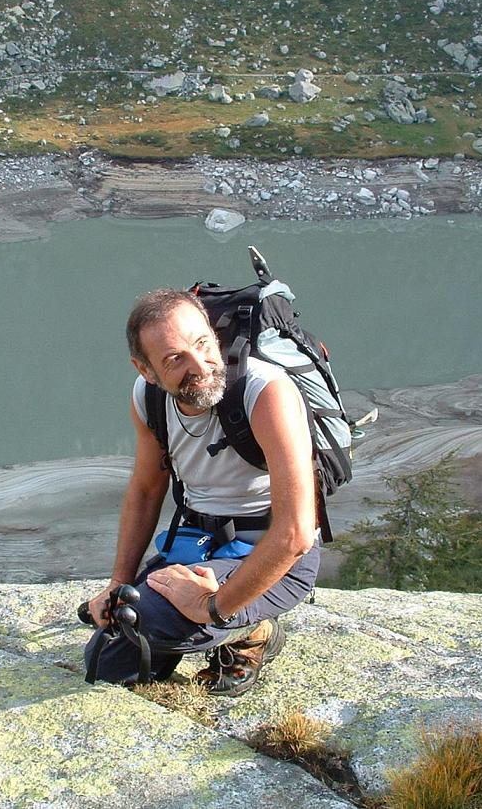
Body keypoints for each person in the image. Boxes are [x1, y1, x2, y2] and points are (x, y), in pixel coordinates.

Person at [84, 288, 321, 696]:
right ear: (145, 369)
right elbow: (145, 490)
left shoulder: (265, 393)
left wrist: (216, 605)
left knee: (147, 617)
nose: (200, 365)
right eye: (175, 359)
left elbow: (296, 534)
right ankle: (199, 625)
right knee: (107, 662)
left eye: (202, 343)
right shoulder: (149, 398)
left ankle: (253, 631)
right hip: (198, 545)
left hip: (271, 554)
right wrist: (117, 584)